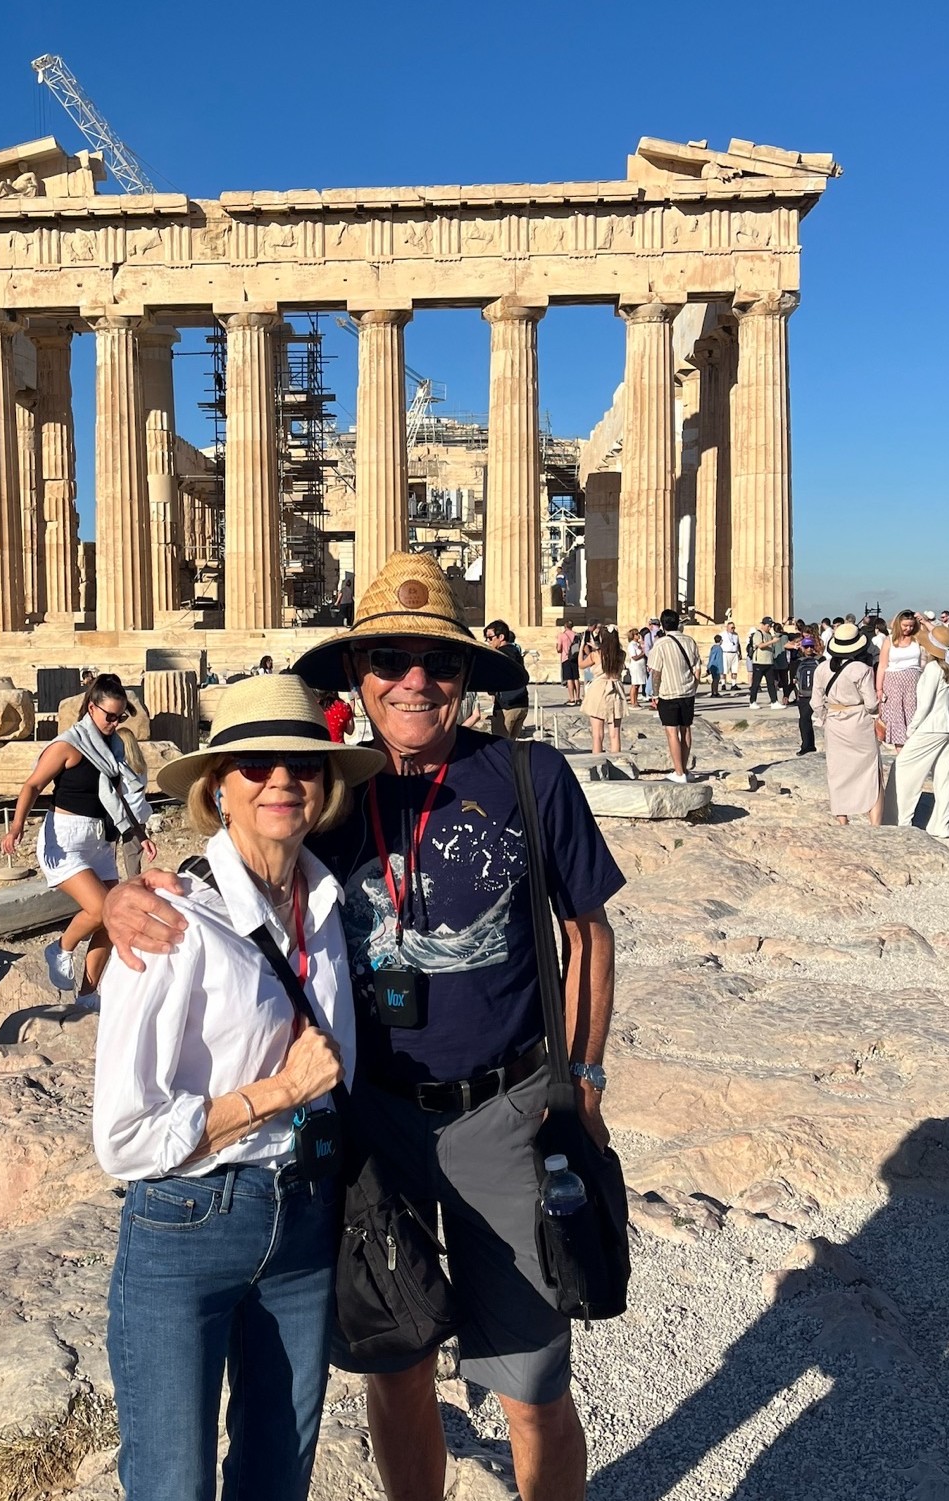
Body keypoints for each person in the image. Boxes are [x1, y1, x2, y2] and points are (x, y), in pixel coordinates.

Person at [105, 552, 625, 1501]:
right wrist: (121, 902)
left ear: (468, 675)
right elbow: (227, 867)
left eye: (439, 662)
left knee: (531, 1381)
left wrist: (581, 1078)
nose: (414, 681)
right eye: (387, 658)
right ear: (356, 675)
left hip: (499, 1112)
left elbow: (587, 927)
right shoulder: (326, 790)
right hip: (365, 1124)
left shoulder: (530, 775)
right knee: (396, 1366)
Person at [94, 676, 383, 1501]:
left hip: (305, 1221)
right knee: (171, 1484)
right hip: (188, 1223)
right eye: (254, 763)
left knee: (276, 1478)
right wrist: (276, 1092)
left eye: (302, 762)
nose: (281, 779)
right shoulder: (169, 918)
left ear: (325, 786)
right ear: (217, 787)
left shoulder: (329, 901)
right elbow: (121, 1136)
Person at [1, 674, 155, 1000]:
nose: (114, 723)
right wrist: (16, 828)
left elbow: (121, 798)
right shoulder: (67, 746)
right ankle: (60, 948)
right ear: (90, 707)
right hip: (66, 841)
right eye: (109, 715)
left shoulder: (113, 750)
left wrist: (139, 834)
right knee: (100, 909)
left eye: (120, 716)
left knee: (115, 920)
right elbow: (32, 786)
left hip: (101, 842)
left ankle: (87, 994)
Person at [883, 624, 949, 839]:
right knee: (945, 778)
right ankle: (942, 826)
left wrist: (911, 730)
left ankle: (898, 820)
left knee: (903, 771)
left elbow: (924, 704)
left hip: (931, 727)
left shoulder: (933, 669)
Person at [811, 622, 883, 826]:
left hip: (835, 721)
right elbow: (870, 703)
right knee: (870, 772)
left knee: (838, 772)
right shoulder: (862, 669)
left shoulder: (822, 668)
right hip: (858, 721)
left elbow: (816, 703)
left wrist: (827, 716)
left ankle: (843, 821)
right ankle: (875, 824)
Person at [646, 608, 701, 783]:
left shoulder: (660, 644)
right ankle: (684, 769)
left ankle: (679, 773)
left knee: (672, 732)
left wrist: (654, 694)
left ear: (662, 625)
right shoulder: (690, 641)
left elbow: (655, 672)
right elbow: (697, 668)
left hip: (668, 693)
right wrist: (695, 686)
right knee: (686, 730)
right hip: (687, 692)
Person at [876, 610, 924, 748]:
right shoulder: (889, 640)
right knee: (897, 720)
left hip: (913, 682)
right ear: (899, 624)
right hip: (893, 683)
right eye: (905, 625)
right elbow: (882, 665)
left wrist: (924, 620)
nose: (908, 629)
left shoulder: (918, 638)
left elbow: (936, 639)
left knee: (913, 716)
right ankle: (901, 754)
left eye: (911, 626)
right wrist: (879, 689)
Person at [481, 620, 530, 739]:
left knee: (499, 746)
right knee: (511, 746)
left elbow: (493, 677)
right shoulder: (515, 651)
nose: (488, 641)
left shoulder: (498, 655)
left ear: (501, 637)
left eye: (490, 638)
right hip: (521, 703)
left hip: (506, 706)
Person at [583, 631, 626, 754]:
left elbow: (581, 664)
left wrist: (582, 648)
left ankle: (597, 764)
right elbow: (609, 655)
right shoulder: (621, 654)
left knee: (597, 735)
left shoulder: (595, 655)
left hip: (599, 690)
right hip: (616, 690)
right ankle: (617, 762)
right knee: (615, 734)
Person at [746, 618, 782, 706]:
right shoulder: (758, 634)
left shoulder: (769, 634)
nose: (769, 628)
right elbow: (760, 645)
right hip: (759, 662)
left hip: (769, 662)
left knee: (771, 683)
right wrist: (772, 642)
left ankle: (774, 701)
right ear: (763, 625)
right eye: (768, 626)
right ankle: (752, 701)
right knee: (756, 683)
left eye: (770, 626)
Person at [794, 636, 820, 755]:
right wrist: (786, 694)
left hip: (818, 695)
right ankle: (807, 745)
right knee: (804, 720)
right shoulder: (798, 662)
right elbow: (793, 680)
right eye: (806, 647)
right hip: (803, 695)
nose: (809, 649)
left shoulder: (821, 660)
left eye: (811, 646)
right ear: (802, 648)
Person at [555, 620, 580, 705]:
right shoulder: (576, 634)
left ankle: (571, 698)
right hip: (575, 657)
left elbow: (559, 649)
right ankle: (578, 697)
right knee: (576, 678)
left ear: (565, 626)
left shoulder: (562, 635)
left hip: (566, 658)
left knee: (569, 678)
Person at [625, 627, 649, 709]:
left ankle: (636, 701)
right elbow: (634, 657)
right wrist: (643, 654)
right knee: (634, 684)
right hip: (636, 666)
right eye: (636, 634)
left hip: (641, 666)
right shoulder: (631, 645)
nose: (638, 635)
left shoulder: (637, 644)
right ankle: (633, 702)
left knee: (638, 685)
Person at [720, 620, 741, 690]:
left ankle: (733, 684)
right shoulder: (722, 634)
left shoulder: (736, 635)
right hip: (726, 653)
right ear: (727, 628)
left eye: (734, 628)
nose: (733, 629)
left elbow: (738, 644)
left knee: (734, 669)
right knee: (724, 669)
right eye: (731, 628)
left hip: (734, 653)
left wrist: (740, 653)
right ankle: (723, 684)